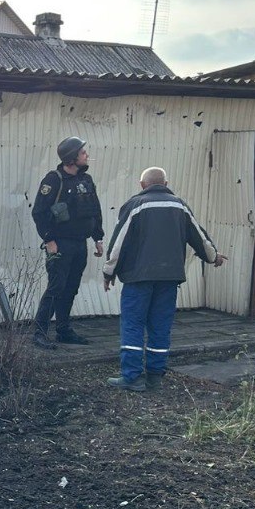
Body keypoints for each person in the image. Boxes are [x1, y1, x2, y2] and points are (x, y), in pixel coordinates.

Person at [101, 166, 227, 391]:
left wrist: (108, 272)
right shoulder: (179, 206)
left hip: (138, 278)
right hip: (169, 278)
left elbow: (119, 243)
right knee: (160, 325)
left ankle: (132, 377)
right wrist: (213, 256)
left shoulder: (135, 206)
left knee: (133, 324)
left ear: (142, 185)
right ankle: (155, 376)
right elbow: (198, 236)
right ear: (166, 184)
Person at [31, 136, 104, 349]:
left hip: (80, 243)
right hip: (60, 244)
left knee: (71, 288)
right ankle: (40, 332)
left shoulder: (86, 180)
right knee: (56, 287)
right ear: (71, 158)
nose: (86, 155)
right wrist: (49, 240)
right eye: (82, 153)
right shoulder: (54, 180)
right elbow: (39, 212)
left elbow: (94, 210)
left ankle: (63, 330)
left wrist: (98, 237)